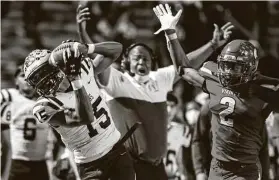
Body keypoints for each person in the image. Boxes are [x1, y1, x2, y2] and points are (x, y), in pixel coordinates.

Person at [77, 3, 234, 180]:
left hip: (158, 168)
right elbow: (97, 59)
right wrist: (83, 34)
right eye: (136, 58)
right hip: (129, 166)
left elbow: (186, 63)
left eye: (146, 58)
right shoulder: (116, 80)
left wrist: (212, 45)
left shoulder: (159, 79)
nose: (142, 62)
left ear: (153, 63)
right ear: (125, 63)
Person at [154, 3, 279, 179]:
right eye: (226, 66)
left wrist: (261, 81)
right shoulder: (216, 80)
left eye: (235, 67)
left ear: (250, 68)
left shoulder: (263, 93)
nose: (228, 72)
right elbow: (182, 69)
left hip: (244, 171)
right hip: (216, 167)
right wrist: (171, 33)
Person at [24, 40, 135, 180]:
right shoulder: (44, 106)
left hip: (117, 151)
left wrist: (88, 48)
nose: (41, 81)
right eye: (36, 79)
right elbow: (85, 117)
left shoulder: (83, 69)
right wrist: (76, 80)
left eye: (42, 73)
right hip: (90, 165)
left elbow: (116, 50)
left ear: (55, 65)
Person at [0, 65, 50, 180]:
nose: (28, 80)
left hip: (40, 162)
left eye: (32, 76)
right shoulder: (9, 97)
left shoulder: (45, 101)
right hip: (16, 161)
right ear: (16, 80)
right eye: (23, 76)